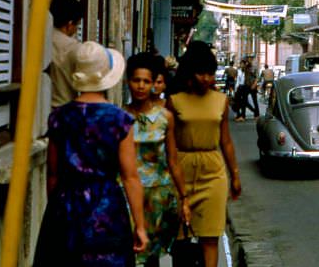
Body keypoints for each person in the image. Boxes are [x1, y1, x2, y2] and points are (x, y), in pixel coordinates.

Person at [34, 41, 149, 266]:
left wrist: (55, 212)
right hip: (106, 208)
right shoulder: (119, 120)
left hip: (65, 205)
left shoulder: (59, 117)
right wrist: (140, 226)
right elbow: (130, 177)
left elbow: (53, 174)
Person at [166, 41, 241, 267]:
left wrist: (235, 175)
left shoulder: (221, 101)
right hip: (181, 169)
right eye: (201, 73)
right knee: (180, 238)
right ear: (190, 73)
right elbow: (167, 143)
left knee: (210, 236)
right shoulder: (174, 101)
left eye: (210, 73)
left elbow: (225, 141)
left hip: (213, 172)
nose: (206, 79)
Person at [125, 53, 190, 267]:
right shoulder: (119, 117)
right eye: (136, 80)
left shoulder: (165, 117)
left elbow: (173, 160)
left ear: (154, 83)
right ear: (128, 82)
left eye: (146, 81)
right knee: (128, 252)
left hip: (158, 196)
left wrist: (184, 199)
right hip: (126, 194)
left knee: (152, 256)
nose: (141, 86)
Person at [47, 0, 84, 107]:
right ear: (69, 24)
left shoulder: (42, 40)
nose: (76, 30)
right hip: (65, 107)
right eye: (77, 25)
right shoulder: (74, 47)